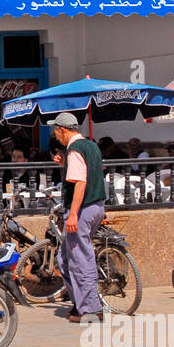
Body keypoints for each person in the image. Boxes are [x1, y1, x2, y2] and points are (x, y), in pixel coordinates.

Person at [51, 112, 106, 323]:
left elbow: (80, 182)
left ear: (62, 130)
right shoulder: (90, 145)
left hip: (82, 209)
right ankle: (79, 304)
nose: (57, 137)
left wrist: (73, 213)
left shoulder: (75, 149)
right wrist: (64, 164)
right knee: (64, 259)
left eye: (57, 133)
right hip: (95, 206)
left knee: (80, 259)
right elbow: (88, 172)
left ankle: (91, 309)